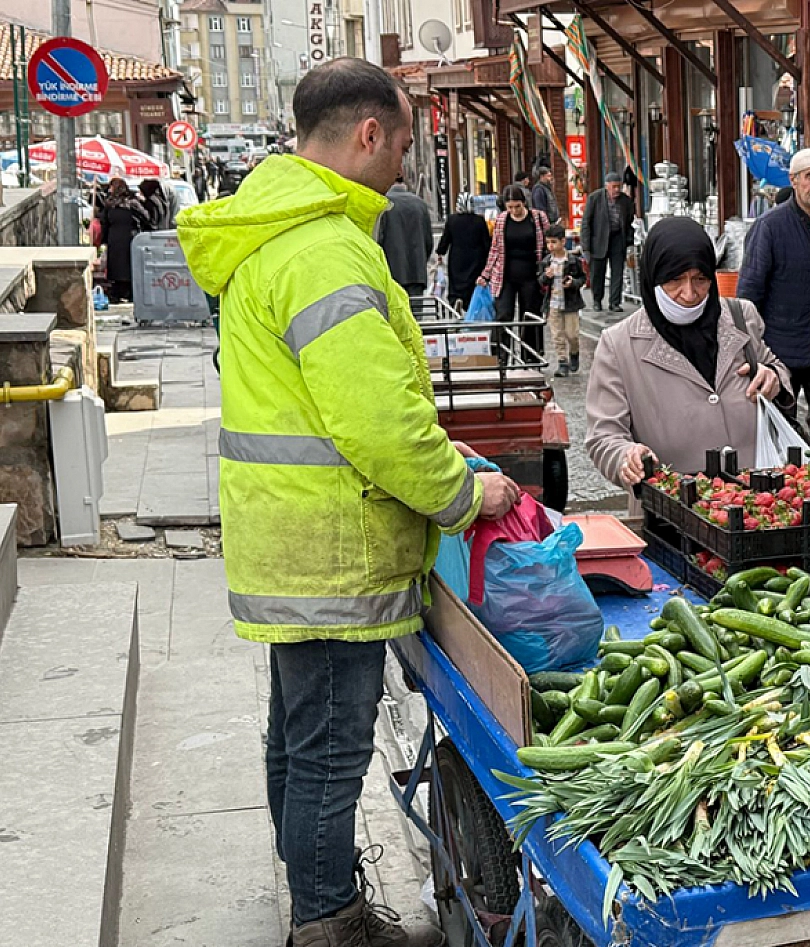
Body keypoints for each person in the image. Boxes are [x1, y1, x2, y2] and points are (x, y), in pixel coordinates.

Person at [176, 56, 521, 947]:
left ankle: (312, 893)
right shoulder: (325, 249)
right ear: (369, 134)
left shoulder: (275, 229)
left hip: (285, 535)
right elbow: (379, 423)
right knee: (330, 748)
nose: (404, 165)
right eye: (402, 145)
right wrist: (463, 493)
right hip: (332, 548)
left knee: (298, 738)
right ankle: (330, 920)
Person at [586, 217, 789, 489]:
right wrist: (626, 456)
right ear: (653, 276)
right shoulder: (618, 344)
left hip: (755, 497)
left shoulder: (741, 317)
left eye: (700, 279)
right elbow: (604, 435)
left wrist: (773, 377)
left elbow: (774, 368)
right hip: (673, 504)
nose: (689, 293)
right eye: (675, 280)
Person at [737, 148, 810, 448]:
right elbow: (748, 295)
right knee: (778, 422)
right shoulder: (770, 226)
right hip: (778, 347)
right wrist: (752, 349)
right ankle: (784, 473)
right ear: (794, 180)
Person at [479, 185, 551, 355]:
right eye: (510, 207)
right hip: (505, 276)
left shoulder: (538, 217)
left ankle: (531, 356)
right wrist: (485, 274)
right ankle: (501, 356)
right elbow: (495, 249)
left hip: (531, 275)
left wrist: (550, 266)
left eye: (517, 206)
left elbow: (548, 243)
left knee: (530, 316)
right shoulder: (501, 220)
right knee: (503, 315)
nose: (514, 211)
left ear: (524, 203)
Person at [580, 171, 636, 312]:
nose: (617, 190)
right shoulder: (595, 198)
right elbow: (586, 223)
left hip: (618, 238)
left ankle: (614, 302)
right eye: (614, 187)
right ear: (607, 186)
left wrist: (629, 242)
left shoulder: (625, 201)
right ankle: (597, 300)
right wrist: (586, 246)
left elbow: (629, 222)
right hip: (599, 238)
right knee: (597, 272)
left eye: (619, 186)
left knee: (618, 271)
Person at [538, 224, 587, 377]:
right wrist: (546, 277)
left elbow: (583, 278)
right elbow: (541, 280)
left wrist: (573, 282)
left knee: (572, 335)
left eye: (554, 242)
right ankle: (562, 362)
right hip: (553, 303)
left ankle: (574, 353)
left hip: (570, 303)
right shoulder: (547, 261)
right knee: (557, 335)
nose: (550, 246)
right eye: (548, 242)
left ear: (563, 241)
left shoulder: (572, 260)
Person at [375, 175, 434, 296]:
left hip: (392, 272)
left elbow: (378, 239)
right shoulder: (420, 204)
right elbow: (428, 241)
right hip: (417, 273)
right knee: (416, 306)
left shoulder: (383, 204)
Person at [434, 193, 493, 311]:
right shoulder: (479, 221)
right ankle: (469, 304)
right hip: (476, 258)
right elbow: (486, 243)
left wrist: (440, 252)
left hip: (457, 258)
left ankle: (456, 300)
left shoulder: (452, 220)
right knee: (472, 283)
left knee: (456, 283)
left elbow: (445, 240)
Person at [98, 178, 152, 303]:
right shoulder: (133, 203)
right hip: (131, 238)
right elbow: (146, 217)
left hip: (114, 239)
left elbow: (104, 223)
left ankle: (117, 293)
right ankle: (131, 293)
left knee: (116, 267)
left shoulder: (109, 205)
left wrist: (103, 240)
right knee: (130, 266)